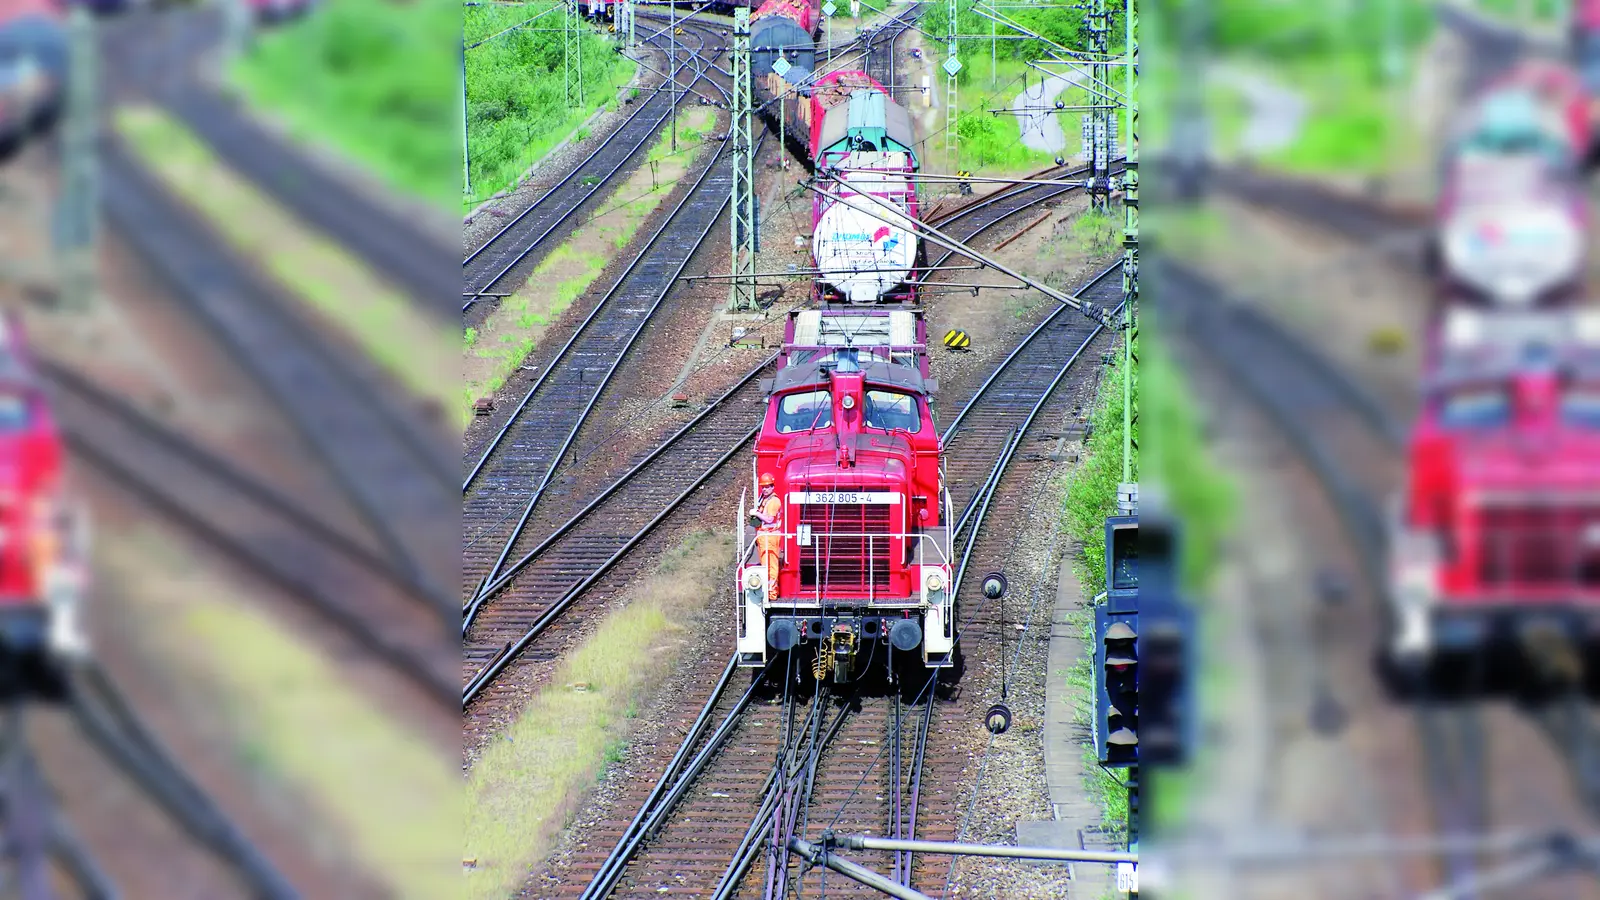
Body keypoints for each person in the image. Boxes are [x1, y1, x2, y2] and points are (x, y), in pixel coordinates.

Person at [753, 472, 782, 601]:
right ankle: (769, 590)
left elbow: (769, 519)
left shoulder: (774, 501)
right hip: (764, 537)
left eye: (767, 486)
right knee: (766, 564)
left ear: (772, 486)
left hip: (770, 537)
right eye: (763, 487)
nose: (764, 489)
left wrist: (757, 514)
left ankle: (772, 593)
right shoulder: (765, 499)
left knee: (771, 566)